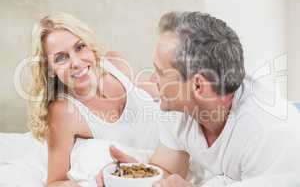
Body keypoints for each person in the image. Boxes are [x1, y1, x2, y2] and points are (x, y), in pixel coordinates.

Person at [97, 11, 300, 187]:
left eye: (160, 72)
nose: (151, 79)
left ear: (198, 86)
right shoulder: (180, 107)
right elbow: (167, 170)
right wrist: (134, 176)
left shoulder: (269, 134)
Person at [28, 12, 160, 186]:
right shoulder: (64, 111)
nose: (76, 62)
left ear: (89, 46)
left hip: (177, 158)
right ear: (50, 69)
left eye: (79, 47)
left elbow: (154, 97)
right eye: (61, 58)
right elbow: (55, 182)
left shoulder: (116, 63)